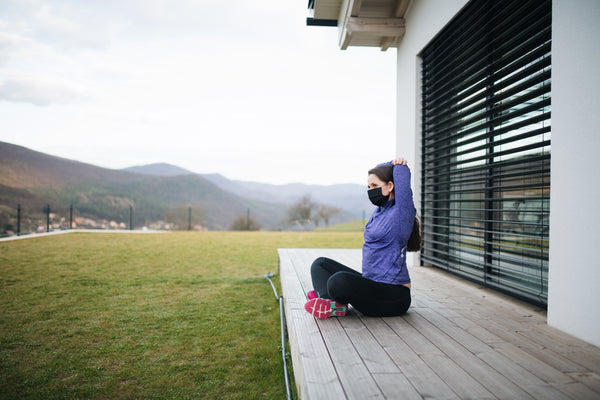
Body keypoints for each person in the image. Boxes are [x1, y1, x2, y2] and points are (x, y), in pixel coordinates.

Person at [304, 157, 421, 319]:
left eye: (374, 186)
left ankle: (328, 300)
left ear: (390, 186)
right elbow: (380, 173)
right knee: (320, 264)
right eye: (368, 186)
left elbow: (402, 176)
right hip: (371, 283)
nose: (370, 190)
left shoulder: (401, 212)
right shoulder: (379, 211)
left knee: (338, 281)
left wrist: (396, 164)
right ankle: (331, 304)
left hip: (393, 295)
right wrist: (386, 166)